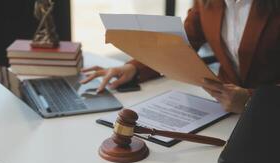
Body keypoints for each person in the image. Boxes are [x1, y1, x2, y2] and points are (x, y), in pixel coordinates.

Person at [81, 0, 280, 113]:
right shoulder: (207, 2)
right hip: (222, 108)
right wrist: (133, 68)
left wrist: (251, 101)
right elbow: (180, 44)